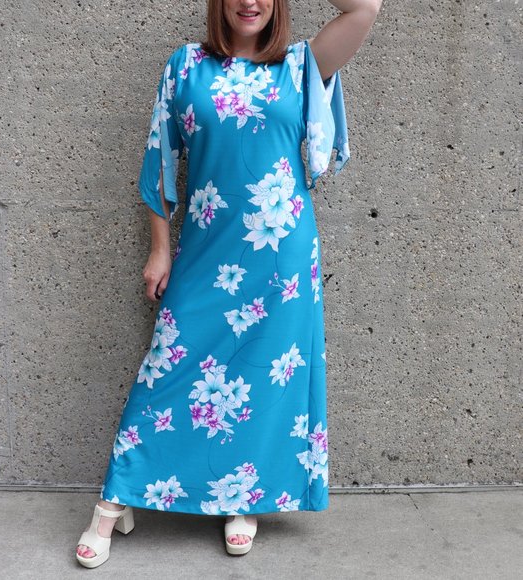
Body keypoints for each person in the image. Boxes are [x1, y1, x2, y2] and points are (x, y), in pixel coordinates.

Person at [76, 0, 381, 568]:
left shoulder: (301, 65)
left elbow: (364, 9)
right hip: (206, 251)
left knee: (264, 380)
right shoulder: (186, 66)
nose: (250, 1)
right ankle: (119, 494)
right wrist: (160, 249)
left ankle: (245, 499)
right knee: (168, 368)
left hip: (283, 260)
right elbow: (160, 159)